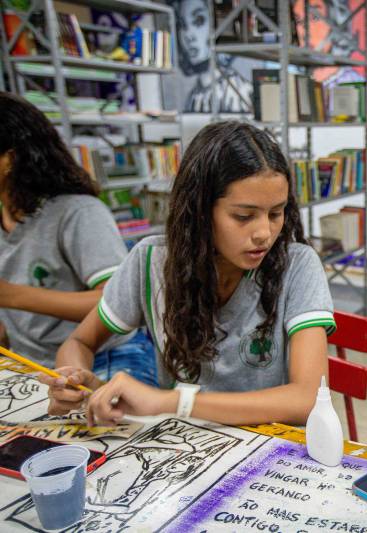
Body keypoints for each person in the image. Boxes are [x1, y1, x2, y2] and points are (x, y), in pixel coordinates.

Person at [43, 121, 335, 427]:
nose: (264, 232)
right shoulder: (150, 261)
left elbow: (307, 399)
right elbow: (79, 342)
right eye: (243, 216)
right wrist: (73, 379)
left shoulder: (297, 265)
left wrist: (173, 402)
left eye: (276, 213)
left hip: (269, 443)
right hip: (182, 439)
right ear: (200, 211)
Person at [0, 92, 156, 385]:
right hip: (30, 362)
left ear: (8, 159)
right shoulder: (6, 218)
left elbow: (117, 300)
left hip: (103, 356)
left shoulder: (78, 213)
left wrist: (11, 295)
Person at [171, 0, 252, 113]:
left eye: (198, 21)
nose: (189, 35)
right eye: (182, 25)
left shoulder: (236, 90)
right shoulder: (194, 95)